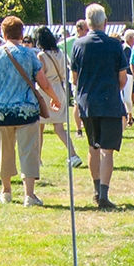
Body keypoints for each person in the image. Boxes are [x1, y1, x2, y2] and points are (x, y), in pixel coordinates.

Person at [0, 15, 60, 206]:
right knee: (29, 151)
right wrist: (55, 98)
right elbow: (43, 82)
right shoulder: (30, 54)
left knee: (4, 152)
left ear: (3, 33)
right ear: (22, 34)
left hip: (1, 111)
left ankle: (6, 191)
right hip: (26, 110)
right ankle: (29, 194)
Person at [69, 3, 128, 208]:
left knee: (93, 146)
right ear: (105, 22)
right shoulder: (114, 45)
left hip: (87, 103)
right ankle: (103, 193)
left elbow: (74, 77)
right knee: (107, 150)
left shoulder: (78, 45)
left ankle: (96, 190)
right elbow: (122, 78)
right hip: (109, 101)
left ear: (87, 22)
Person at [35, 24, 82, 168]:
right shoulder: (60, 53)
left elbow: (40, 76)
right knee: (59, 128)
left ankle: (38, 159)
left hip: (46, 90)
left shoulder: (42, 56)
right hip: (60, 89)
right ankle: (73, 154)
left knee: (39, 128)